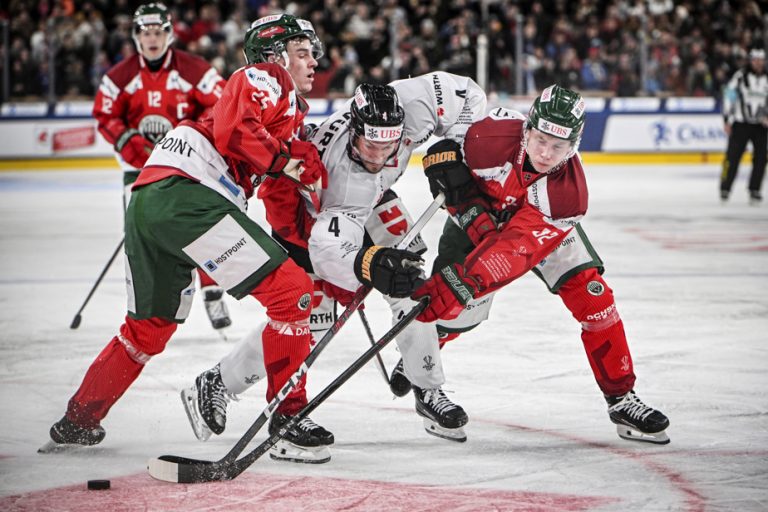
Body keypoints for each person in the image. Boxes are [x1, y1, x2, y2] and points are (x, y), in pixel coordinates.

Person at [41, 14, 331, 457]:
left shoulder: (286, 111)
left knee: (146, 332)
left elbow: (272, 182)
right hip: (190, 193)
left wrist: (302, 227)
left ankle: (78, 421)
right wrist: (284, 161)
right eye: (304, 52)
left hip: (149, 198)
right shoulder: (267, 77)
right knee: (294, 294)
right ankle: (288, 417)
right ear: (275, 56)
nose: (315, 62)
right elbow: (235, 131)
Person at [181, 72, 488, 459]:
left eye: (388, 147)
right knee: (309, 319)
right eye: (369, 147)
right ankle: (219, 381)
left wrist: (453, 148)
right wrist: (371, 265)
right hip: (307, 214)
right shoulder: (343, 177)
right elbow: (328, 250)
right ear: (355, 132)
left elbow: (468, 94)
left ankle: (426, 384)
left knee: (411, 281)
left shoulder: (412, 105)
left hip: (371, 200)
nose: (378, 157)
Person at [407, 84, 671, 445]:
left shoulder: (568, 196)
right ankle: (424, 375)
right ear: (527, 129)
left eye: (558, 147)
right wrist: (447, 169)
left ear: (574, 146)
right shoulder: (488, 136)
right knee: (450, 313)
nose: (545, 154)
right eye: (540, 140)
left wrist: (466, 280)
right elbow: (448, 153)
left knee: (595, 300)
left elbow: (517, 249)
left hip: (537, 228)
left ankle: (622, 398)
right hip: (480, 218)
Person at [92, 2, 232, 331]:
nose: (152, 38)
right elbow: (104, 114)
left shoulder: (194, 69)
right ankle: (148, 304)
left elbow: (223, 105)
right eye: (145, 32)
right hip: (139, 169)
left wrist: (194, 136)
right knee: (141, 236)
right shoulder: (120, 76)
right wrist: (126, 138)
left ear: (169, 35)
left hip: (184, 166)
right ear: (136, 36)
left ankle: (212, 293)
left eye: (158, 32)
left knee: (201, 226)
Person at [720, 47, 768, 205]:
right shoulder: (740, 77)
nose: (758, 63)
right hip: (741, 124)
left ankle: (755, 189)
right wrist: (727, 119)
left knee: (761, 159)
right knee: (732, 157)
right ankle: (725, 187)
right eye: (755, 60)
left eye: (761, 60)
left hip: (761, 126)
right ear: (750, 60)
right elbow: (729, 97)